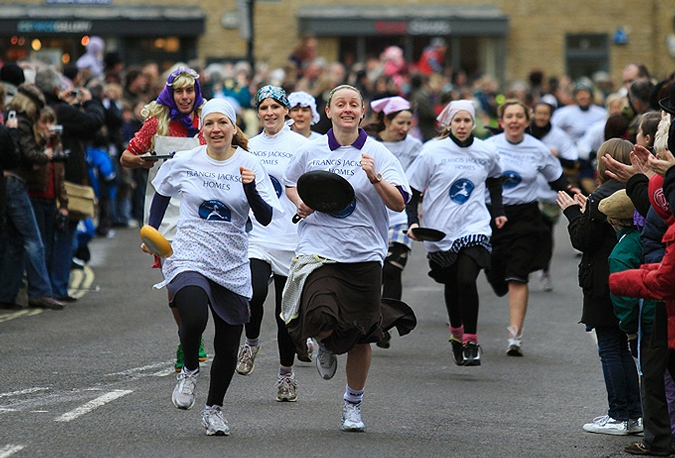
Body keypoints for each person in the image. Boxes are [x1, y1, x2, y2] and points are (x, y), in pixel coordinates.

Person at [281, 84, 413, 432]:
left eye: (354, 104)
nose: (347, 109)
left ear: (362, 112)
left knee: (362, 335)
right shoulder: (311, 150)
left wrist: (375, 178)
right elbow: (290, 182)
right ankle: (325, 340)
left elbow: (399, 202)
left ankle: (352, 405)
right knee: (319, 313)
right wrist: (299, 202)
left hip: (364, 254)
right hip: (319, 251)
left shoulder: (378, 153)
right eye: (340, 104)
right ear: (328, 111)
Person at [145, 98, 279, 436]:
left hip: (232, 259)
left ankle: (214, 409)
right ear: (202, 129)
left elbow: (264, 217)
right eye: (209, 124)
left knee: (228, 346)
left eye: (223, 123)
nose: (216, 129)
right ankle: (189, 368)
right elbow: (161, 192)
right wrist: (152, 231)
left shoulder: (250, 164)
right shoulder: (185, 160)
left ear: (235, 128)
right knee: (192, 315)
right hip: (189, 251)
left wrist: (249, 189)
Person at [120, 66, 208, 372]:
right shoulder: (157, 122)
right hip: (165, 209)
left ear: (197, 92)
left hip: (202, 208)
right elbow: (126, 156)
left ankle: (193, 331)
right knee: (174, 280)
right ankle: (188, 339)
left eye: (190, 91)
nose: (185, 97)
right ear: (170, 93)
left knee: (201, 278)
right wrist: (142, 161)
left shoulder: (207, 120)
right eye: (179, 91)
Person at [406, 100, 506, 365]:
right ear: (448, 123)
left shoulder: (486, 151)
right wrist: (413, 222)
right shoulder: (432, 152)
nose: (462, 126)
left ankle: (471, 340)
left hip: (474, 225)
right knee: (452, 282)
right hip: (440, 229)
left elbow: (496, 180)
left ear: (474, 123)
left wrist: (498, 211)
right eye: (457, 121)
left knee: (465, 279)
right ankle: (456, 334)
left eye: (467, 121)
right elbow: (412, 192)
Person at [557, 138, 642, 436]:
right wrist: (587, 210)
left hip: (602, 280)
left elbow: (584, 239)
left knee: (609, 348)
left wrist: (572, 213)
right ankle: (635, 414)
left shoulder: (601, 195)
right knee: (625, 348)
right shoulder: (636, 191)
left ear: (604, 163)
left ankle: (619, 414)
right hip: (632, 275)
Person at [233, 85, 310, 404]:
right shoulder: (248, 145)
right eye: (263, 107)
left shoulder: (303, 145)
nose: (269, 113)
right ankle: (250, 342)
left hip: (293, 237)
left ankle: (286, 376)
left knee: (285, 314)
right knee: (254, 291)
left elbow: (312, 182)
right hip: (259, 234)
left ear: (286, 111)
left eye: (275, 107)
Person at [484, 99, 577, 356]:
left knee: (518, 275)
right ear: (501, 122)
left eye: (519, 116)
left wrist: (572, 193)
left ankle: (515, 337)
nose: (514, 121)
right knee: (496, 271)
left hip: (524, 216)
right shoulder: (488, 147)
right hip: (491, 215)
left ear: (527, 121)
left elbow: (557, 178)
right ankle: (497, 276)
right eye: (509, 116)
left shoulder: (538, 149)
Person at [364, 95, 422, 349]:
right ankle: (373, 318)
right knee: (374, 271)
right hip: (374, 214)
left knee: (393, 269)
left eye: (409, 123)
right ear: (386, 120)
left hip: (401, 214)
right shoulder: (370, 145)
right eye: (400, 122)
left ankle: (385, 323)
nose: (405, 128)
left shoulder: (415, 147)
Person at [0, 84, 64, 310]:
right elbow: (24, 154)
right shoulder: (22, 123)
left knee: (15, 241)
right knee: (33, 240)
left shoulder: (14, 120)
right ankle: (40, 292)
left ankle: (6, 294)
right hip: (15, 183)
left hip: (11, 182)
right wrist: (44, 154)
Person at [528, 101, 578, 291]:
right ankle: (529, 263)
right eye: (538, 113)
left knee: (546, 233)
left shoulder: (559, 136)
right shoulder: (525, 135)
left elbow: (573, 163)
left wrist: (557, 156)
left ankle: (544, 270)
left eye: (545, 114)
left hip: (549, 194)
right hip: (529, 193)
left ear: (551, 116)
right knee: (530, 231)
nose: (541, 117)